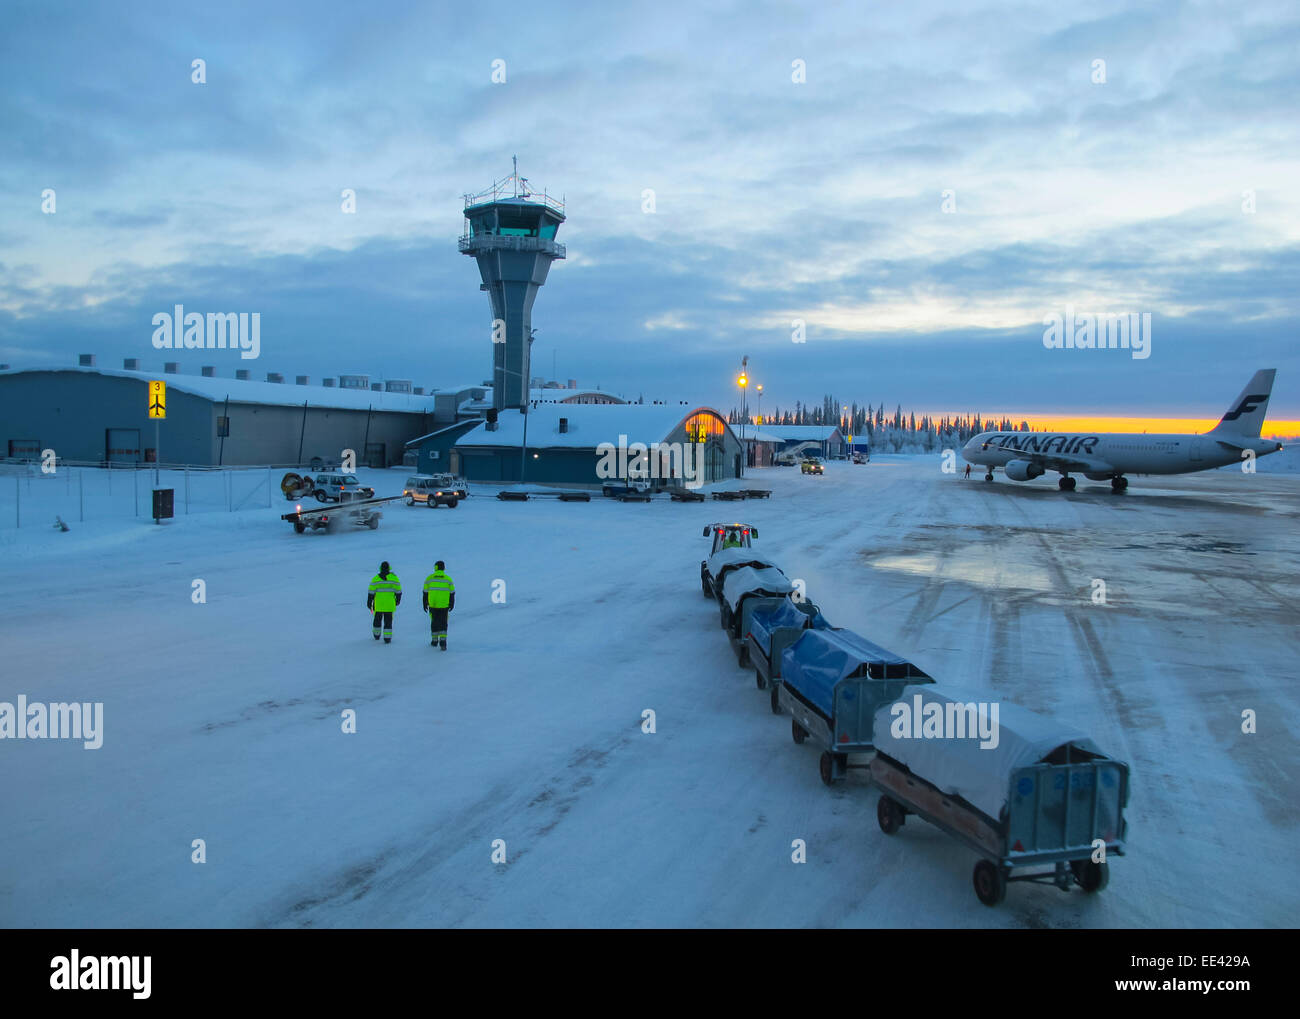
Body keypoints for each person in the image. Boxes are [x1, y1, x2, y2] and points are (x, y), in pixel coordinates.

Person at [422, 560, 456, 651]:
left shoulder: (430, 578)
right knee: (443, 623)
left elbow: (425, 592)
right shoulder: (448, 579)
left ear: (435, 567)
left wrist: (425, 603)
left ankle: (434, 641)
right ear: (444, 568)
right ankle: (443, 642)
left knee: (434, 622)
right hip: (444, 605)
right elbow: (452, 593)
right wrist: (452, 603)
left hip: (433, 604)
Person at [367, 561, 402, 643]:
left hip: (378, 604)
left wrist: (369, 602)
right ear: (389, 568)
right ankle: (387, 638)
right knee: (388, 621)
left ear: (380, 568)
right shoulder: (394, 578)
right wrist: (398, 601)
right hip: (390, 604)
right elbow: (398, 591)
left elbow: (371, 592)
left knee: (377, 620)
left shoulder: (375, 578)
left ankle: (376, 635)